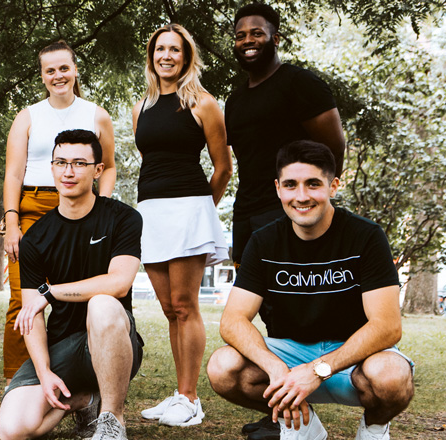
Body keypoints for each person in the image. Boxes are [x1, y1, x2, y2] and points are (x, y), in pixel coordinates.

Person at [207, 141, 414, 440]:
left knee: (392, 376)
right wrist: (276, 369)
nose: (301, 196)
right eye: (291, 185)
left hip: (354, 358)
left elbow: (387, 327)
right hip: (290, 353)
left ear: (333, 186)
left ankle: (374, 429)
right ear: (278, 188)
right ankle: (304, 425)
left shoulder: (365, 236)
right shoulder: (264, 241)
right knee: (222, 367)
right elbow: (233, 321)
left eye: (313, 184)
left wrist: (318, 369)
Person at [226, 5, 346, 436]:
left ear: (275, 37)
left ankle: (303, 388)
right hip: (248, 207)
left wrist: (311, 198)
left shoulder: (300, 84)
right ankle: (286, 406)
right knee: (263, 306)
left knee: (293, 295)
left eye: (256, 33)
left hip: (290, 205)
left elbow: (333, 144)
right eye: (240, 36)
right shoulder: (237, 98)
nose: (247, 42)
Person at [0, 130, 143, 440]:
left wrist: (51, 292)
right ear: (52, 167)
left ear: (97, 170)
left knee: (101, 304)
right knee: (12, 430)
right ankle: (86, 400)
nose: (68, 171)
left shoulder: (123, 218)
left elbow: (118, 283)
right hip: (63, 345)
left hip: (115, 340)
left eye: (79, 163)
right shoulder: (36, 237)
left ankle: (112, 420)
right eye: (61, 162)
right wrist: (45, 370)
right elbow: (31, 313)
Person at [131, 24, 232, 427]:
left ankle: (190, 399)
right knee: (169, 308)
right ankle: (179, 393)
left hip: (189, 208)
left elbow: (223, 167)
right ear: (152, 57)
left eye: (175, 49)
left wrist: (201, 210)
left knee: (187, 306)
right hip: (151, 212)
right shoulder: (141, 106)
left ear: (186, 57)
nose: (166, 56)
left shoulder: (203, 103)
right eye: (160, 49)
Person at [1, 40, 117, 382]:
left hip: (82, 209)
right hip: (33, 210)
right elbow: (12, 172)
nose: (58, 75)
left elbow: (108, 166)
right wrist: (11, 220)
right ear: (42, 75)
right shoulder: (28, 116)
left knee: (80, 295)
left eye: (64, 68)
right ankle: (18, 381)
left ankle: (83, 379)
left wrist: (103, 208)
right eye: (50, 70)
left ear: (75, 69)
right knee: (23, 298)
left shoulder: (97, 115)